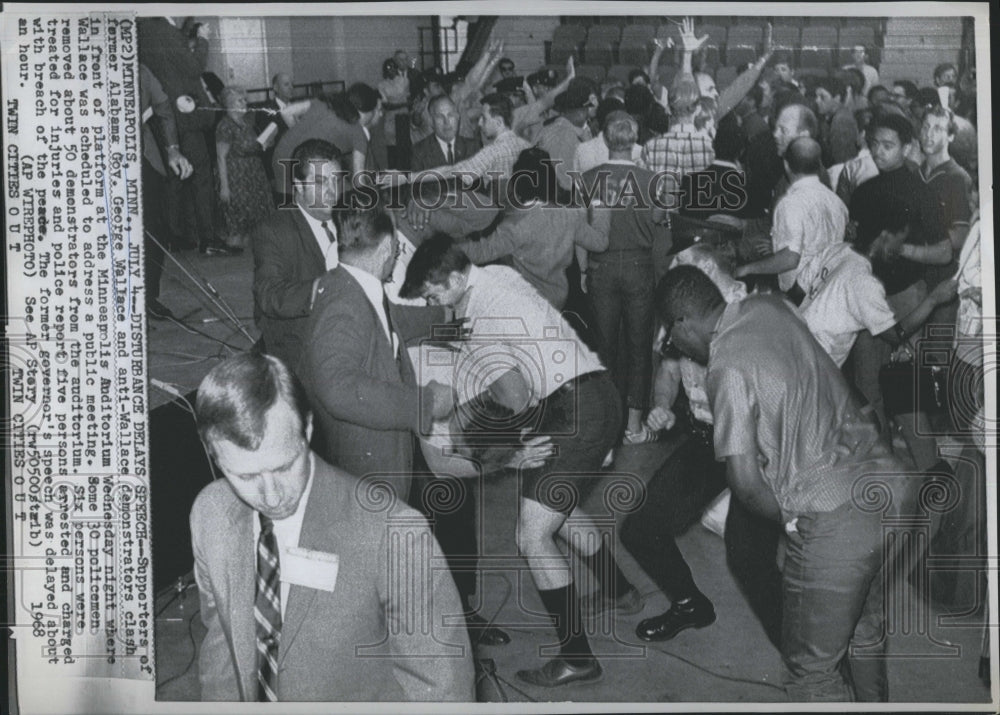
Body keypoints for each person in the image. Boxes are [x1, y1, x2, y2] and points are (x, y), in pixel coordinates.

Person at [400, 237, 640, 689]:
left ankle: (577, 657)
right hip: (596, 393)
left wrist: (480, 428)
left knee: (530, 536)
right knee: (559, 514)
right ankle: (621, 593)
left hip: (572, 411)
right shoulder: (498, 275)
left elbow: (515, 396)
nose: (433, 305)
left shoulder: (480, 316)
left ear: (454, 280)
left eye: (434, 295)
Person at [657, 265, 900, 701]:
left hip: (834, 517)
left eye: (674, 338)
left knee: (812, 674)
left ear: (682, 323)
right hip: (884, 486)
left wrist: (790, 520)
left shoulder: (725, 365)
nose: (679, 348)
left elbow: (745, 484)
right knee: (863, 632)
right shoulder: (769, 306)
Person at [190, 352, 474, 701]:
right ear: (213, 455)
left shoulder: (394, 533)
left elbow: (443, 692)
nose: (271, 495)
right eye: (245, 476)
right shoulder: (211, 513)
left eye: (283, 467)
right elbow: (222, 652)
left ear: (307, 428)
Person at [624, 245, 785, 648]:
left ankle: (804, 654)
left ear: (711, 273)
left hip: (754, 441)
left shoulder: (750, 314)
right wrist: (661, 405)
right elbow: (669, 368)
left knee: (749, 557)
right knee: (640, 530)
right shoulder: (680, 309)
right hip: (704, 435)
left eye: (685, 272)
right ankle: (688, 603)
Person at [300, 207, 454, 503]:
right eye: (396, 245)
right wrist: (425, 403)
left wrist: (448, 313)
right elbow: (338, 388)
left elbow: (389, 318)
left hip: (381, 462)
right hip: (368, 475)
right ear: (385, 248)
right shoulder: (342, 304)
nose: (397, 253)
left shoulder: (350, 284)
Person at [581, 111, 672, 444]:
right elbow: (661, 219)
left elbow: (582, 229)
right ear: (635, 142)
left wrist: (582, 269)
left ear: (605, 140)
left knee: (603, 348)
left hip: (600, 267)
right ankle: (633, 427)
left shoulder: (588, 178)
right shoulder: (653, 181)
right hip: (638, 267)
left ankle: (606, 427)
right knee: (638, 346)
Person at [456, 147, 608, 310]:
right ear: (551, 181)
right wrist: (601, 208)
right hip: (559, 301)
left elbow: (479, 253)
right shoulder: (569, 216)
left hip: (526, 304)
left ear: (517, 184)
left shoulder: (513, 225)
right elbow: (600, 243)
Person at [138, 16, 236, 256]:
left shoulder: (142, 27)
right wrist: (202, 40)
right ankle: (208, 238)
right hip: (184, 115)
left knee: (174, 178)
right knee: (201, 175)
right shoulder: (165, 29)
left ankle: (174, 237)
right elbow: (193, 66)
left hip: (161, 113)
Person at [252, 140, 343, 371]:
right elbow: (269, 295)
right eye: (321, 182)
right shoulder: (273, 230)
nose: (333, 192)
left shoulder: (347, 220)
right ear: (298, 186)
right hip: (300, 351)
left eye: (336, 180)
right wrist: (324, 288)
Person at [734, 137, 847, 298]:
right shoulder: (836, 202)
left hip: (801, 295)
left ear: (786, 165)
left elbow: (790, 259)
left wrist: (747, 269)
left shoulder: (790, 203)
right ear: (818, 164)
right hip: (831, 289)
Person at [139, 63, 193, 320]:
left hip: (143, 159)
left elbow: (163, 108)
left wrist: (173, 149)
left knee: (154, 229)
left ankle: (148, 298)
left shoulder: (140, 69)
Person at [215, 86, 275, 250]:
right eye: (240, 100)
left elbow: (250, 145)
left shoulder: (246, 122)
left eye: (244, 100)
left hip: (253, 171)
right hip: (237, 174)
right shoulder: (225, 125)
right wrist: (224, 186)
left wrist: (264, 144)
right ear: (229, 104)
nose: (244, 103)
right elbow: (221, 157)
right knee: (238, 216)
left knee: (255, 216)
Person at [409, 94, 480, 172]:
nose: (446, 122)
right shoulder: (419, 153)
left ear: (458, 117)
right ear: (431, 121)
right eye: (440, 117)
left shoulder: (473, 148)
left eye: (451, 115)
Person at [813, 75, 859, 167]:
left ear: (837, 98)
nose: (817, 100)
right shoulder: (830, 117)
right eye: (816, 96)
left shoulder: (841, 121)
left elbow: (841, 160)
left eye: (822, 97)